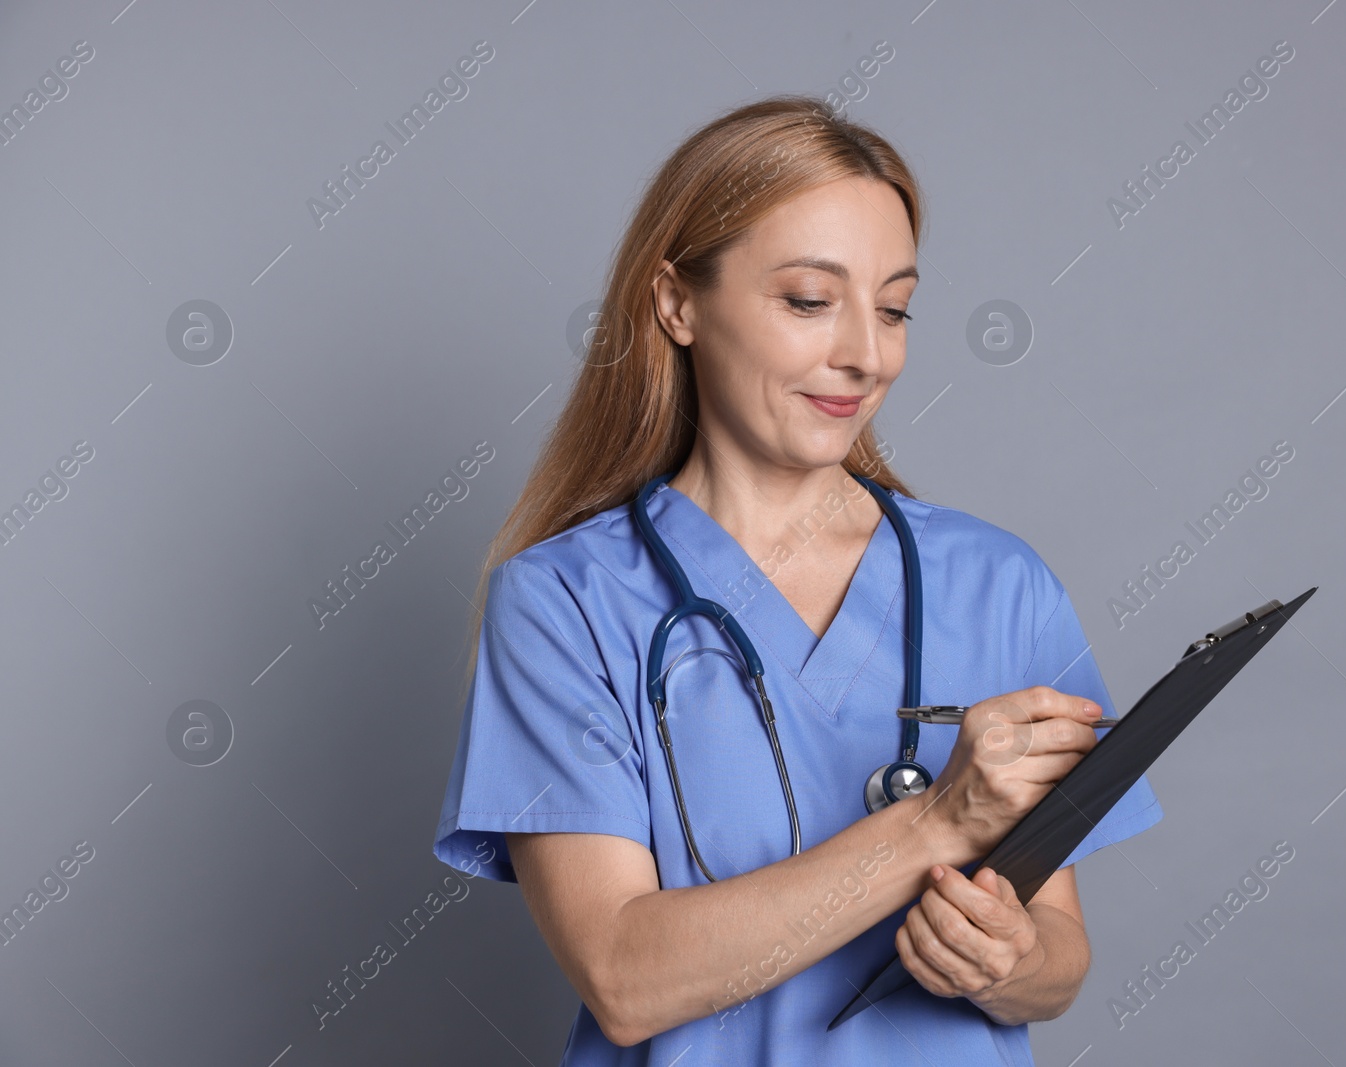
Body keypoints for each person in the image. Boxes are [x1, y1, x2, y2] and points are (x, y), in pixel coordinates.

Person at [433, 94, 1162, 1064]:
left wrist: (1007, 958)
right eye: (810, 300)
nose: (865, 353)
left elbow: (1059, 962)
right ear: (677, 302)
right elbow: (623, 976)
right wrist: (931, 826)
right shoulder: (564, 603)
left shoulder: (998, 583)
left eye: (894, 307)